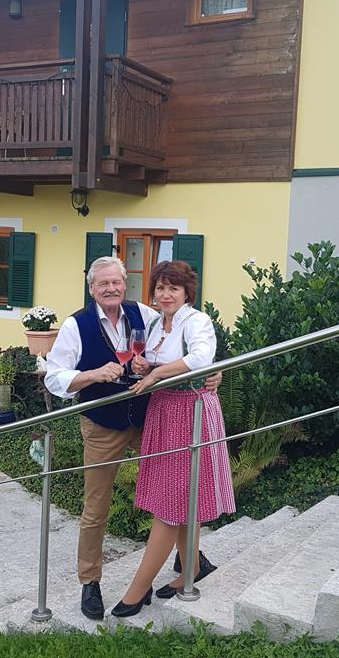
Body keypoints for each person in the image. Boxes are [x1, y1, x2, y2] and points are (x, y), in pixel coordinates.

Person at [44, 256, 220, 621]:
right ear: (92, 288)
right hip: (103, 424)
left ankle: (191, 559)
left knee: (178, 486)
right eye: (103, 283)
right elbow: (54, 377)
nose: (111, 288)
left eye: (116, 282)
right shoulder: (76, 325)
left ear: (126, 284)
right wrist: (92, 374)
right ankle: (90, 581)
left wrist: (211, 374)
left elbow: (187, 351)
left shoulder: (146, 315)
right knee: (96, 506)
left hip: (149, 419)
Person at [111, 260, 235, 617]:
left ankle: (138, 590)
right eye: (161, 288)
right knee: (180, 496)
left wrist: (155, 375)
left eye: (173, 288)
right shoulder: (154, 323)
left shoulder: (197, 321)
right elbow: (155, 361)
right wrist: (145, 367)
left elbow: (201, 357)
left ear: (186, 293)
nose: (166, 294)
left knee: (171, 501)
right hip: (164, 410)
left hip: (190, 411)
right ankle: (192, 568)